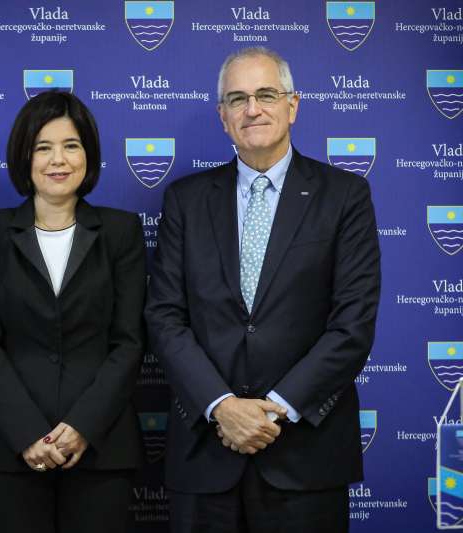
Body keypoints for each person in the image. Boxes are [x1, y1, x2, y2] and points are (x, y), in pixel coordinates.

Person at [145, 47, 381, 533]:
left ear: (292, 105)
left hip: (305, 456)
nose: (252, 109)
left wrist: (274, 411)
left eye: (266, 95)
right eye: (238, 99)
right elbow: (164, 317)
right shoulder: (185, 200)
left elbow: (352, 324)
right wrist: (223, 407)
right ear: (223, 116)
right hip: (206, 453)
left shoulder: (345, 196)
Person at [0, 91, 146, 533]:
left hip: (101, 446)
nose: (57, 160)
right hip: (8, 448)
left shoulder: (121, 232)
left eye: (71, 145)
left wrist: (82, 425)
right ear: (23, 157)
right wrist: (27, 432)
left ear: (89, 155)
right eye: (43, 147)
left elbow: (129, 342)